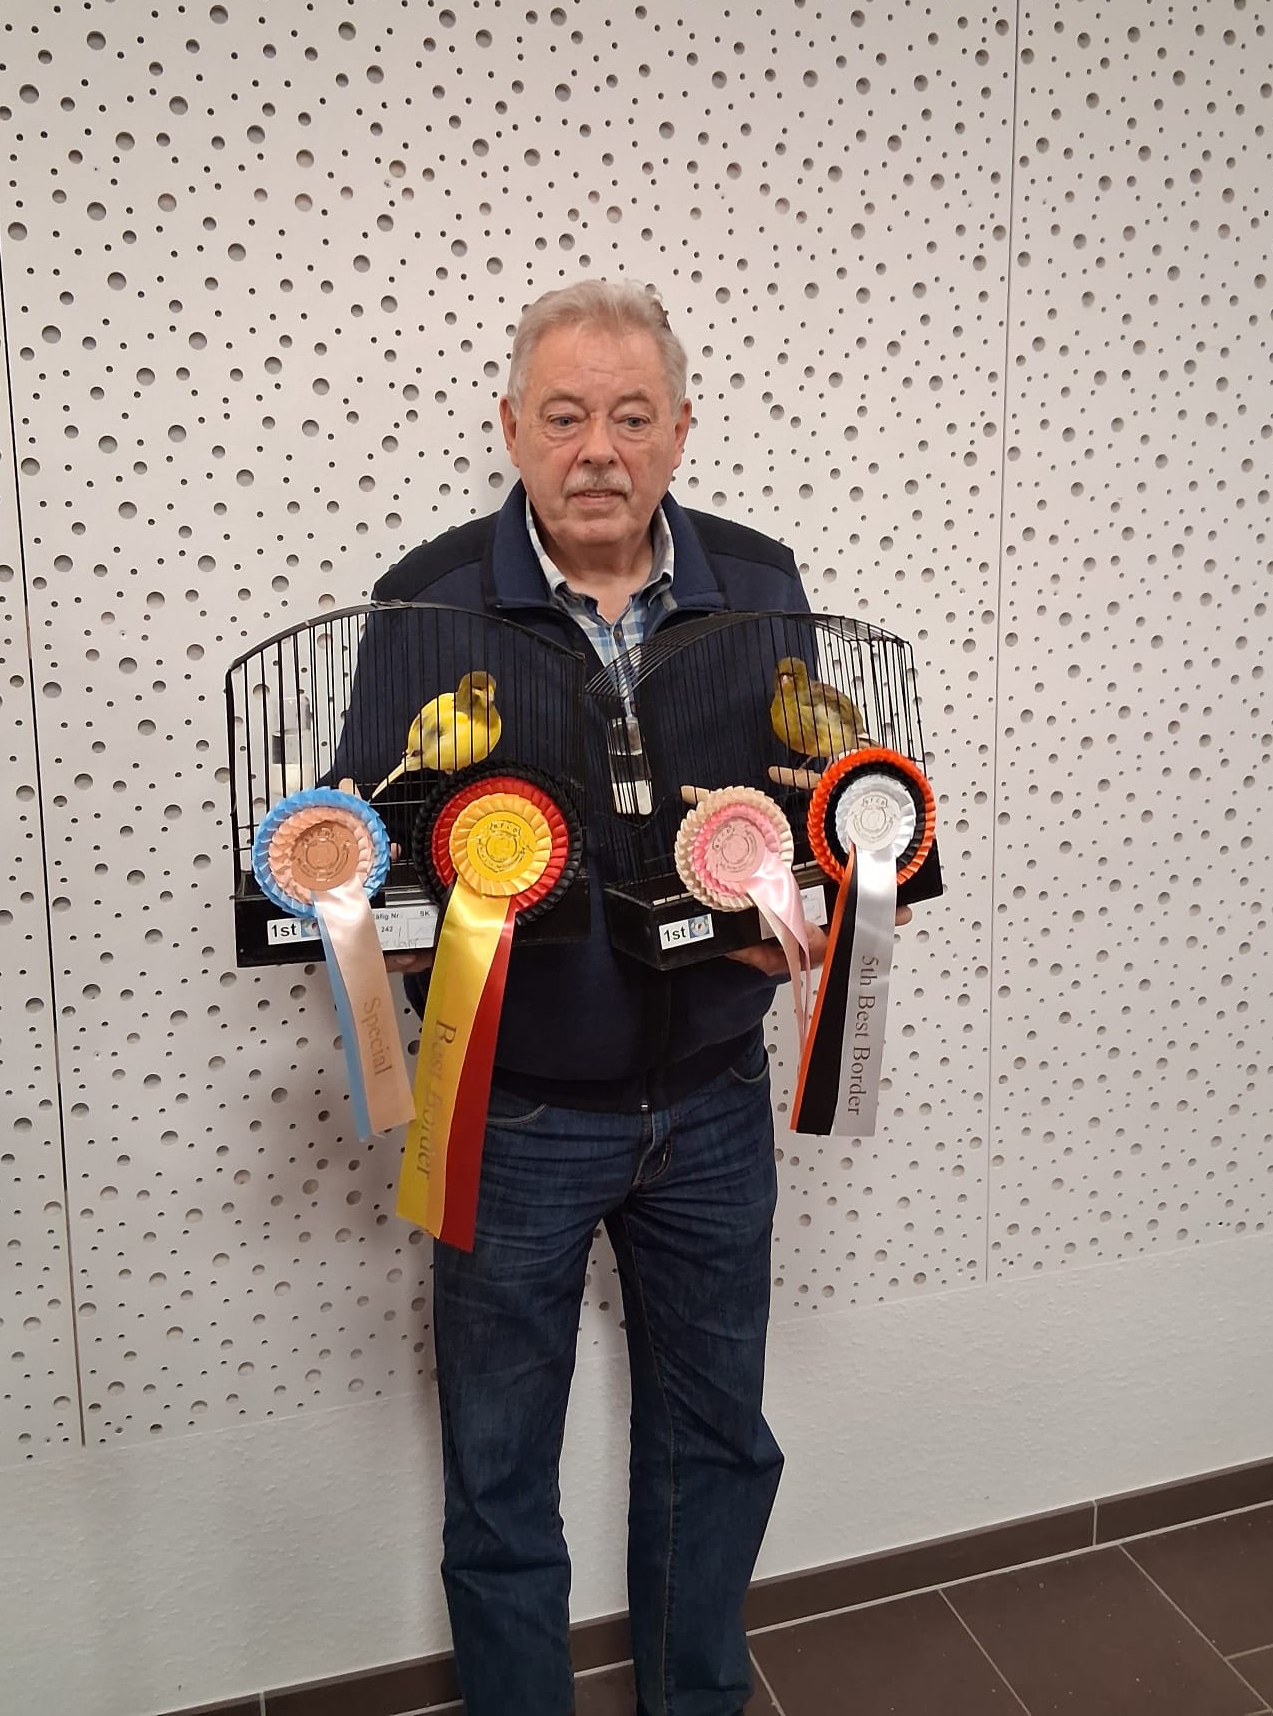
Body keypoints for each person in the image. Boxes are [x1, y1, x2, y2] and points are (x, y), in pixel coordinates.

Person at [370, 280, 905, 1716]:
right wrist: (401, 935)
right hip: (510, 1118)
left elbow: (815, 803)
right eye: (563, 417)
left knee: (716, 1445)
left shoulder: (761, 581)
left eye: (628, 416)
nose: (595, 449)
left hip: (714, 1104)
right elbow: (363, 846)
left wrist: (807, 915)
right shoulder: (426, 599)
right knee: (497, 1474)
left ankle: (696, 1698)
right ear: (510, 430)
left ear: (679, 429)